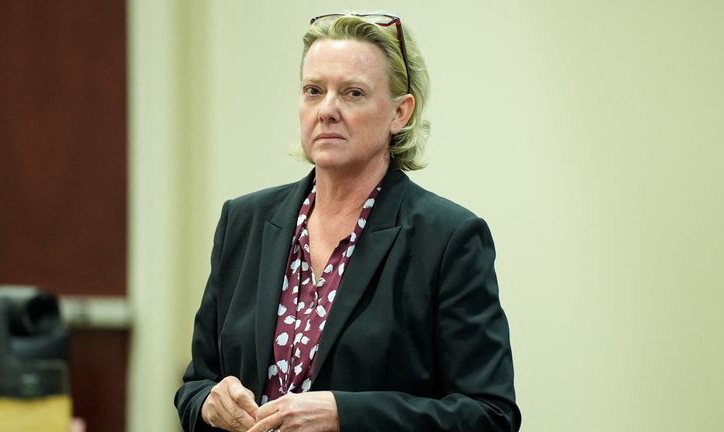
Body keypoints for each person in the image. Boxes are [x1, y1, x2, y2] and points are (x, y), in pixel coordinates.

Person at [175, 13, 521, 432]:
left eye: (353, 93)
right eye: (313, 91)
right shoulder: (243, 222)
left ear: (400, 113)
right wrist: (208, 403)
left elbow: (490, 415)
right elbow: (196, 383)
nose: (327, 110)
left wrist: (346, 415)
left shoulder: (448, 238)